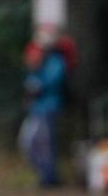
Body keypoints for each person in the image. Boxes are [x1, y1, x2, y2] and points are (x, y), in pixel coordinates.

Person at [19, 31, 76, 186]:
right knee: (28, 142)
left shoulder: (56, 61)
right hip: (36, 109)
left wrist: (38, 85)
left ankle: (50, 178)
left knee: (44, 144)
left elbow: (53, 81)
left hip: (49, 107)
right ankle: (44, 174)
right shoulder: (38, 60)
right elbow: (30, 82)